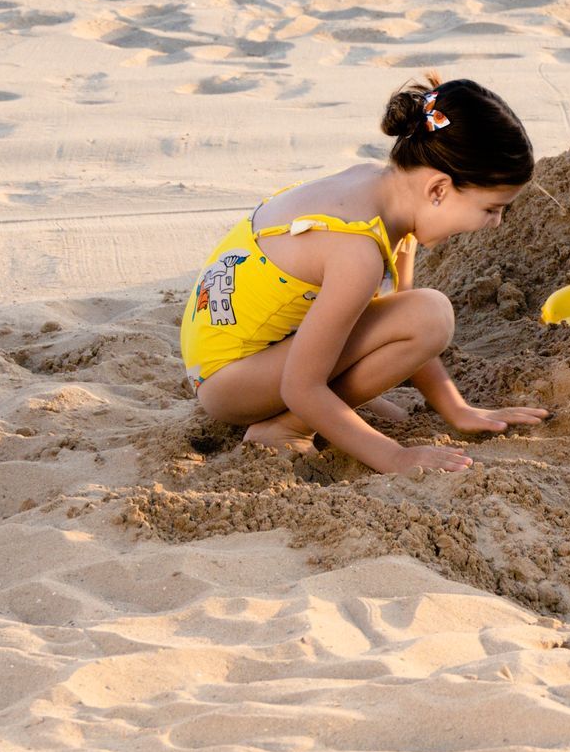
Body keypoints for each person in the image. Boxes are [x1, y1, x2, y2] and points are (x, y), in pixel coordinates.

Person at [180, 77, 549, 474]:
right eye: (491, 209)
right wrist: (395, 456)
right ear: (439, 190)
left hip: (234, 352)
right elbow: (301, 386)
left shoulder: (385, 188)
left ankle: (317, 409)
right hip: (230, 381)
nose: (495, 224)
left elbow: (398, 321)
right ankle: (283, 427)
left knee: (421, 320)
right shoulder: (357, 253)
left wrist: (455, 409)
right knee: (431, 313)